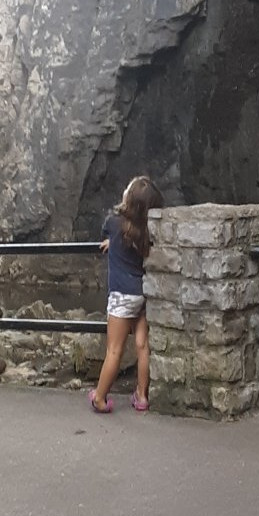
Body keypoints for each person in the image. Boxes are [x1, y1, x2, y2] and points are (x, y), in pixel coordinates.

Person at [89, 175, 164, 413]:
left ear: (129, 200)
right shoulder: (145, 233)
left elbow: (116, 231)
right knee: (142, 345)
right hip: (141, 295)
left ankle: (99, 397)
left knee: (114, 349)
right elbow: (131, 237)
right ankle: (142, 396)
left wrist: (113, 241)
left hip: (121, 296)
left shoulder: (113, 224)